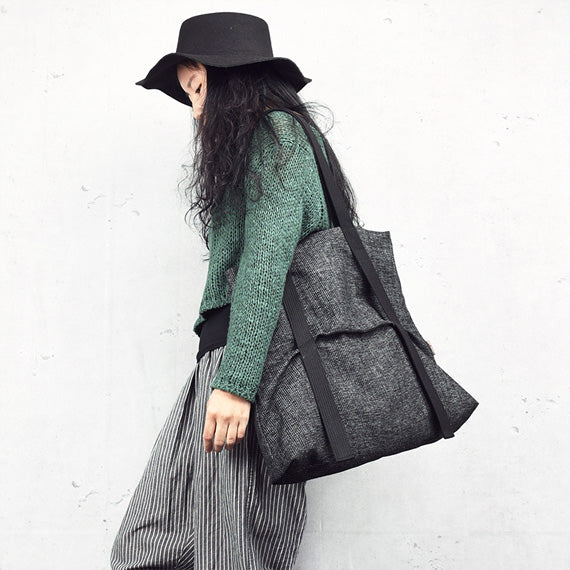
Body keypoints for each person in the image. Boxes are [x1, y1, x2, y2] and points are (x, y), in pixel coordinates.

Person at [110, 12, 360, 570]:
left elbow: (265, 261)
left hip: (251, 365)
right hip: (227, 362)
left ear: (229, 77)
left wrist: (238, 382)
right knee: (154, 542)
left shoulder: (277, 134)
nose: (194, 109)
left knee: (231, 553)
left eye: (197, 89)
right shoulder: (264, 140)